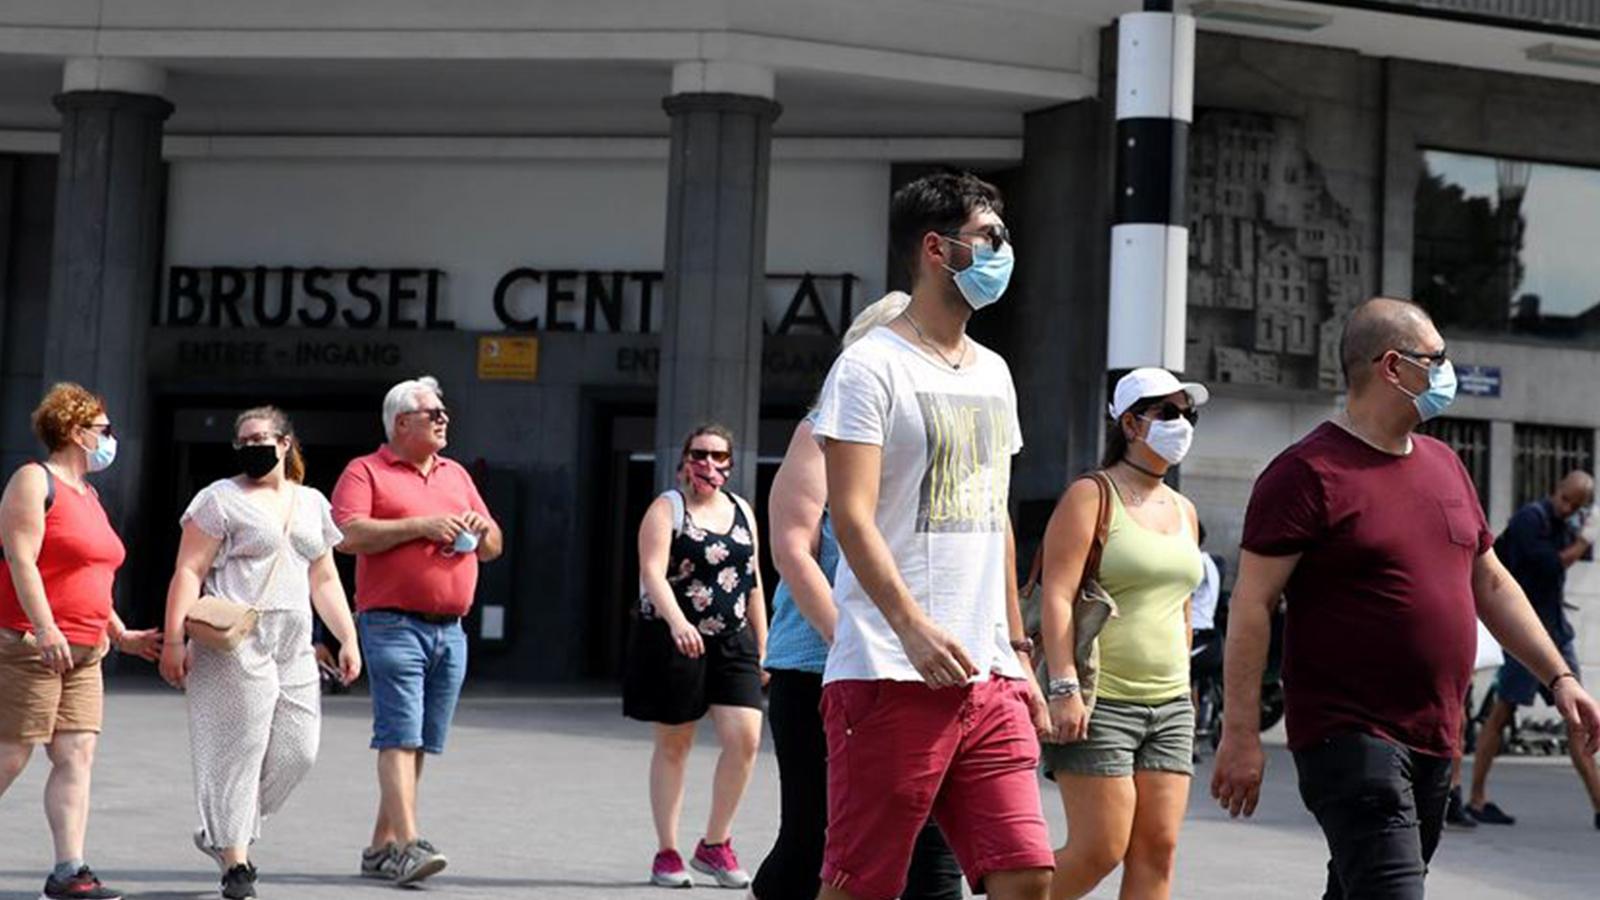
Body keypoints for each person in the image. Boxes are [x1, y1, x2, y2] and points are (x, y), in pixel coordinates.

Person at [1212, 297, 1600, 900]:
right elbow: (1252, 604)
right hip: (1351, 737)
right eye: (1438, 358)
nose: (1449, 369)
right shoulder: (1305, 474)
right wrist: (1239, 735)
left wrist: (1560, 678)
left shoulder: (1445, 465)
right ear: (1394, 367)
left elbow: (1492, 583)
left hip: (1436, 733)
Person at [812, 171, 1054, 900]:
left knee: (1026, 875)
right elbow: (849, 516)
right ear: (935, 248)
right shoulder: (868, 367)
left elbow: (996, 516)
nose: (1003, 252)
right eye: (989, 237)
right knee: (862, 885)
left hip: (988, 675)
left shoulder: (997, 373)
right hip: (889, 671)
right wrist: (912, 628)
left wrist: (1017, 651)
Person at [752, 291, 963, 900]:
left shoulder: (936, 434)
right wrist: (850, 640)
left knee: (930, 842)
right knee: (814, 839)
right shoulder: (819, 433)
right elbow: (793, 548)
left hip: (923, 664)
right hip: (824, 665)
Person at [160, 406, 361, 900]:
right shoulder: (219, 499)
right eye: (243, 441)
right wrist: (172, 639)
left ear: (286, 443)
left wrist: (348, 636)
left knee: (299, 750)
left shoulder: (312, 503)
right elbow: (188, 570)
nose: (252, 447)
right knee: (239, 750)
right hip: (236, 639)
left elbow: (325, 577)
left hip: (294, 644)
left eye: (261, 439)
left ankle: (224, 830)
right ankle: (235, 863)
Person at [1037, 368, 1207, 900]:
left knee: (1157, 852)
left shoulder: (1185, 511)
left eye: (1189, 414)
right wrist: (1064, 687)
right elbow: (1057, 595)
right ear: (1131, 423)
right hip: (1100, 701)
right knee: (1100, 848)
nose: (1182, 424)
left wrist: (1184, 684)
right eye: (1169, 413)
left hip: (1170, 705)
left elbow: (1181, 602)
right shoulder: (1093, 495)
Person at [331, 375, 503, 887]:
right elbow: (345, 533)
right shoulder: (365, 470)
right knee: (399, 734)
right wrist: (421, 526)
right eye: (434, 413)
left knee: (422, 740)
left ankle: (381, 846)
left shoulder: (455, 474)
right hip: (392, 623)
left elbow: (495, 545)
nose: (444, 419)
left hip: (450, 629)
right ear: (401, 421)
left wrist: (479, 528)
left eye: (444, 412)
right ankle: (408, 845)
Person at [0, 383, 161, 900]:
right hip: (32, 646)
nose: (111, 439)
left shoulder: (88, 496)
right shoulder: (33, 480)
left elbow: (89, 573)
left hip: (86, 650)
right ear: (75, 432)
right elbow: (22, 559)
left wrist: (121, 632)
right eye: (103, 430)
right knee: (10, 753)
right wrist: (44, 627)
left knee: (76, 755)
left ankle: (68, 870)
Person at [625, 424, 768, 889]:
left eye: (717, 456)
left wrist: (766, 644)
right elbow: (651, 572)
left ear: (730, 464)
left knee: (745, 737)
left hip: (733, 639)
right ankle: (666, 851)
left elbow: (753, 580)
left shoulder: (743, 510)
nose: (707, 464)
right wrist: (678, 623)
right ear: (683, 461)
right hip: (676, 638)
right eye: (699, 455)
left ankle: (715, 843)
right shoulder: (667, 508)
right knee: (675, 744)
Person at [1467, 470, 1600, 829]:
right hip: (1525, 636)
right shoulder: (1531, 520)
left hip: (1556, 631)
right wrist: (1585, 542)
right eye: (1565, 498)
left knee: (1578, 718)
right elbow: (1549, 565)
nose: (1566, 505)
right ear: (1557, 490)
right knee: (1501, 713)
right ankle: (1477, 798)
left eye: (1575, 504)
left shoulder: (1560, 524)